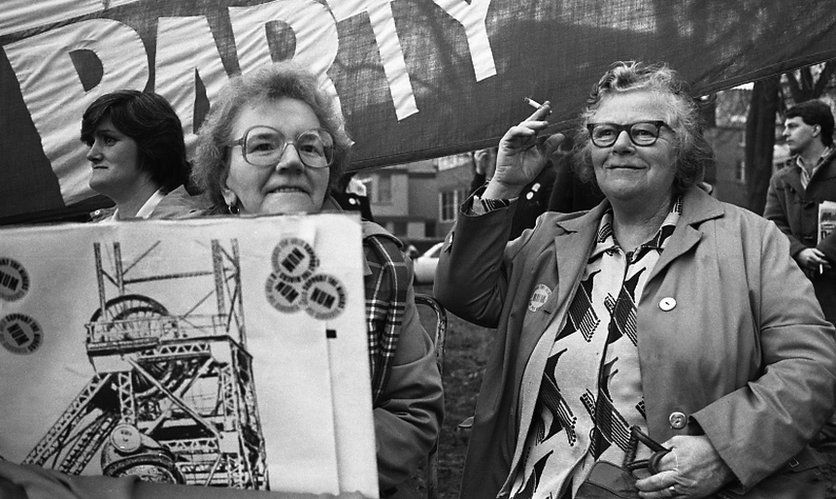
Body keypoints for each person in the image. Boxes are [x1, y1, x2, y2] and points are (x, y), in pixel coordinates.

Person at [434, 61, 836, 498]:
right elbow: (464, 293)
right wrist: (502, 186)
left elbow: (810, 366)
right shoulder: (551, 238)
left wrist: (725, 450)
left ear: (680, 146)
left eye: (644, 131)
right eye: (604, 133)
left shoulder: (751, 240)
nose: (621, 145)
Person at [191, 61, 443, 496]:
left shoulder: (377, 260)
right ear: (224, 179)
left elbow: (413, 415)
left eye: (310, 146)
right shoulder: (177, 264)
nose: (292, 161)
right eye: (263, 145)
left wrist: (298, 470)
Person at [764, 99, 836, 325]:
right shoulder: (781, 179)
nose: (785, 133)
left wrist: (824, 251)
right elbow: (773, 224)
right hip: (798, 287)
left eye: (793, 126)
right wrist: (799, 252)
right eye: (784, 127)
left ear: (816, 129)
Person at [81, 90, 204, 221]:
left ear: (153, 146)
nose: (91, 154)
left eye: (109, 140)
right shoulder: (94, 231)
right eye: (91, 142)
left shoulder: (193, 229)